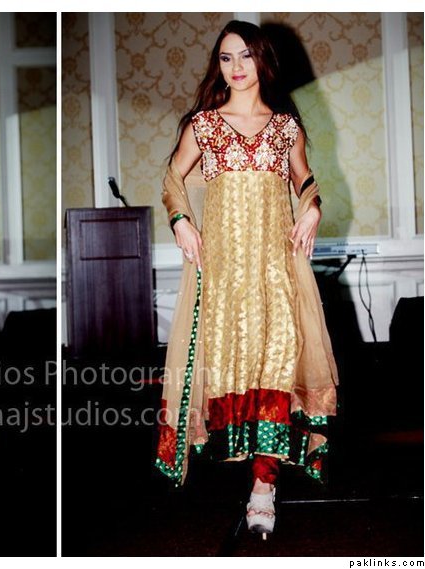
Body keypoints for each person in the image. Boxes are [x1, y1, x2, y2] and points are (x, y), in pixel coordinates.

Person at [155, 20, 338, 539]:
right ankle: (244, 462)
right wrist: (181, 220)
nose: (235, 68)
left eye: (245, 56)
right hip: (224, 272)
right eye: (225, 58)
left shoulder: (285, 127)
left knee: (278, 361)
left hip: (277, 268)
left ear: (263, 60)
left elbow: (304, 179)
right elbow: (172, 179)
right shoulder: (204, 125)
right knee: (235, 367)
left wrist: (312, 207)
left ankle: (264, 486)